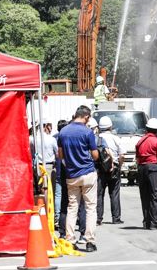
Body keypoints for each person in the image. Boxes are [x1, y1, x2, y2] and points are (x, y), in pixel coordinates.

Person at [57, 106, 100, 252]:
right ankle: (89, 241)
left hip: (71, 175)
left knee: (72, 207)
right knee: (90, 208)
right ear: (86, 117)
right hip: (88, 174)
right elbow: (95, 155)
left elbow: (60, 155)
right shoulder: (88, 132)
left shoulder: (63, 132)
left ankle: (70, 239)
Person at [136, 117, 157, 229]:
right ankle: (155, 222)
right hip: (153, 168)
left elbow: (138, 159)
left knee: (145, 196)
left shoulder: (140, 141)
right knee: (155, 195)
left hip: (141, 168)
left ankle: (147, 222)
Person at [96, 116, 125, 225]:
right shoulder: (116, 138)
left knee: (99, 194)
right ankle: (116, 218)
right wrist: (119, 166)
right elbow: (122, 155)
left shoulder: (97, 138)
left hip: (100, 169)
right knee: (114, 193)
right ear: (110, 126)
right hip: (114, 168)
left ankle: (98, 218)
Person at [30, 119, 59, 203]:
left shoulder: (33, 139)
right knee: (50, 188)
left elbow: (31, 152)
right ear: (46, 126)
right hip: (49, 166)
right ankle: (49, 208)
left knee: (40, 188)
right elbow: (57, 153)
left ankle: (42, 205)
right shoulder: (51, 139)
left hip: (38, 166)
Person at [54, 119, 68, 229]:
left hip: (57, 169)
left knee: (58, 195)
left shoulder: (54, 137)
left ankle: (58, 217)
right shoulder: (66, 137)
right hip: (66, 170)